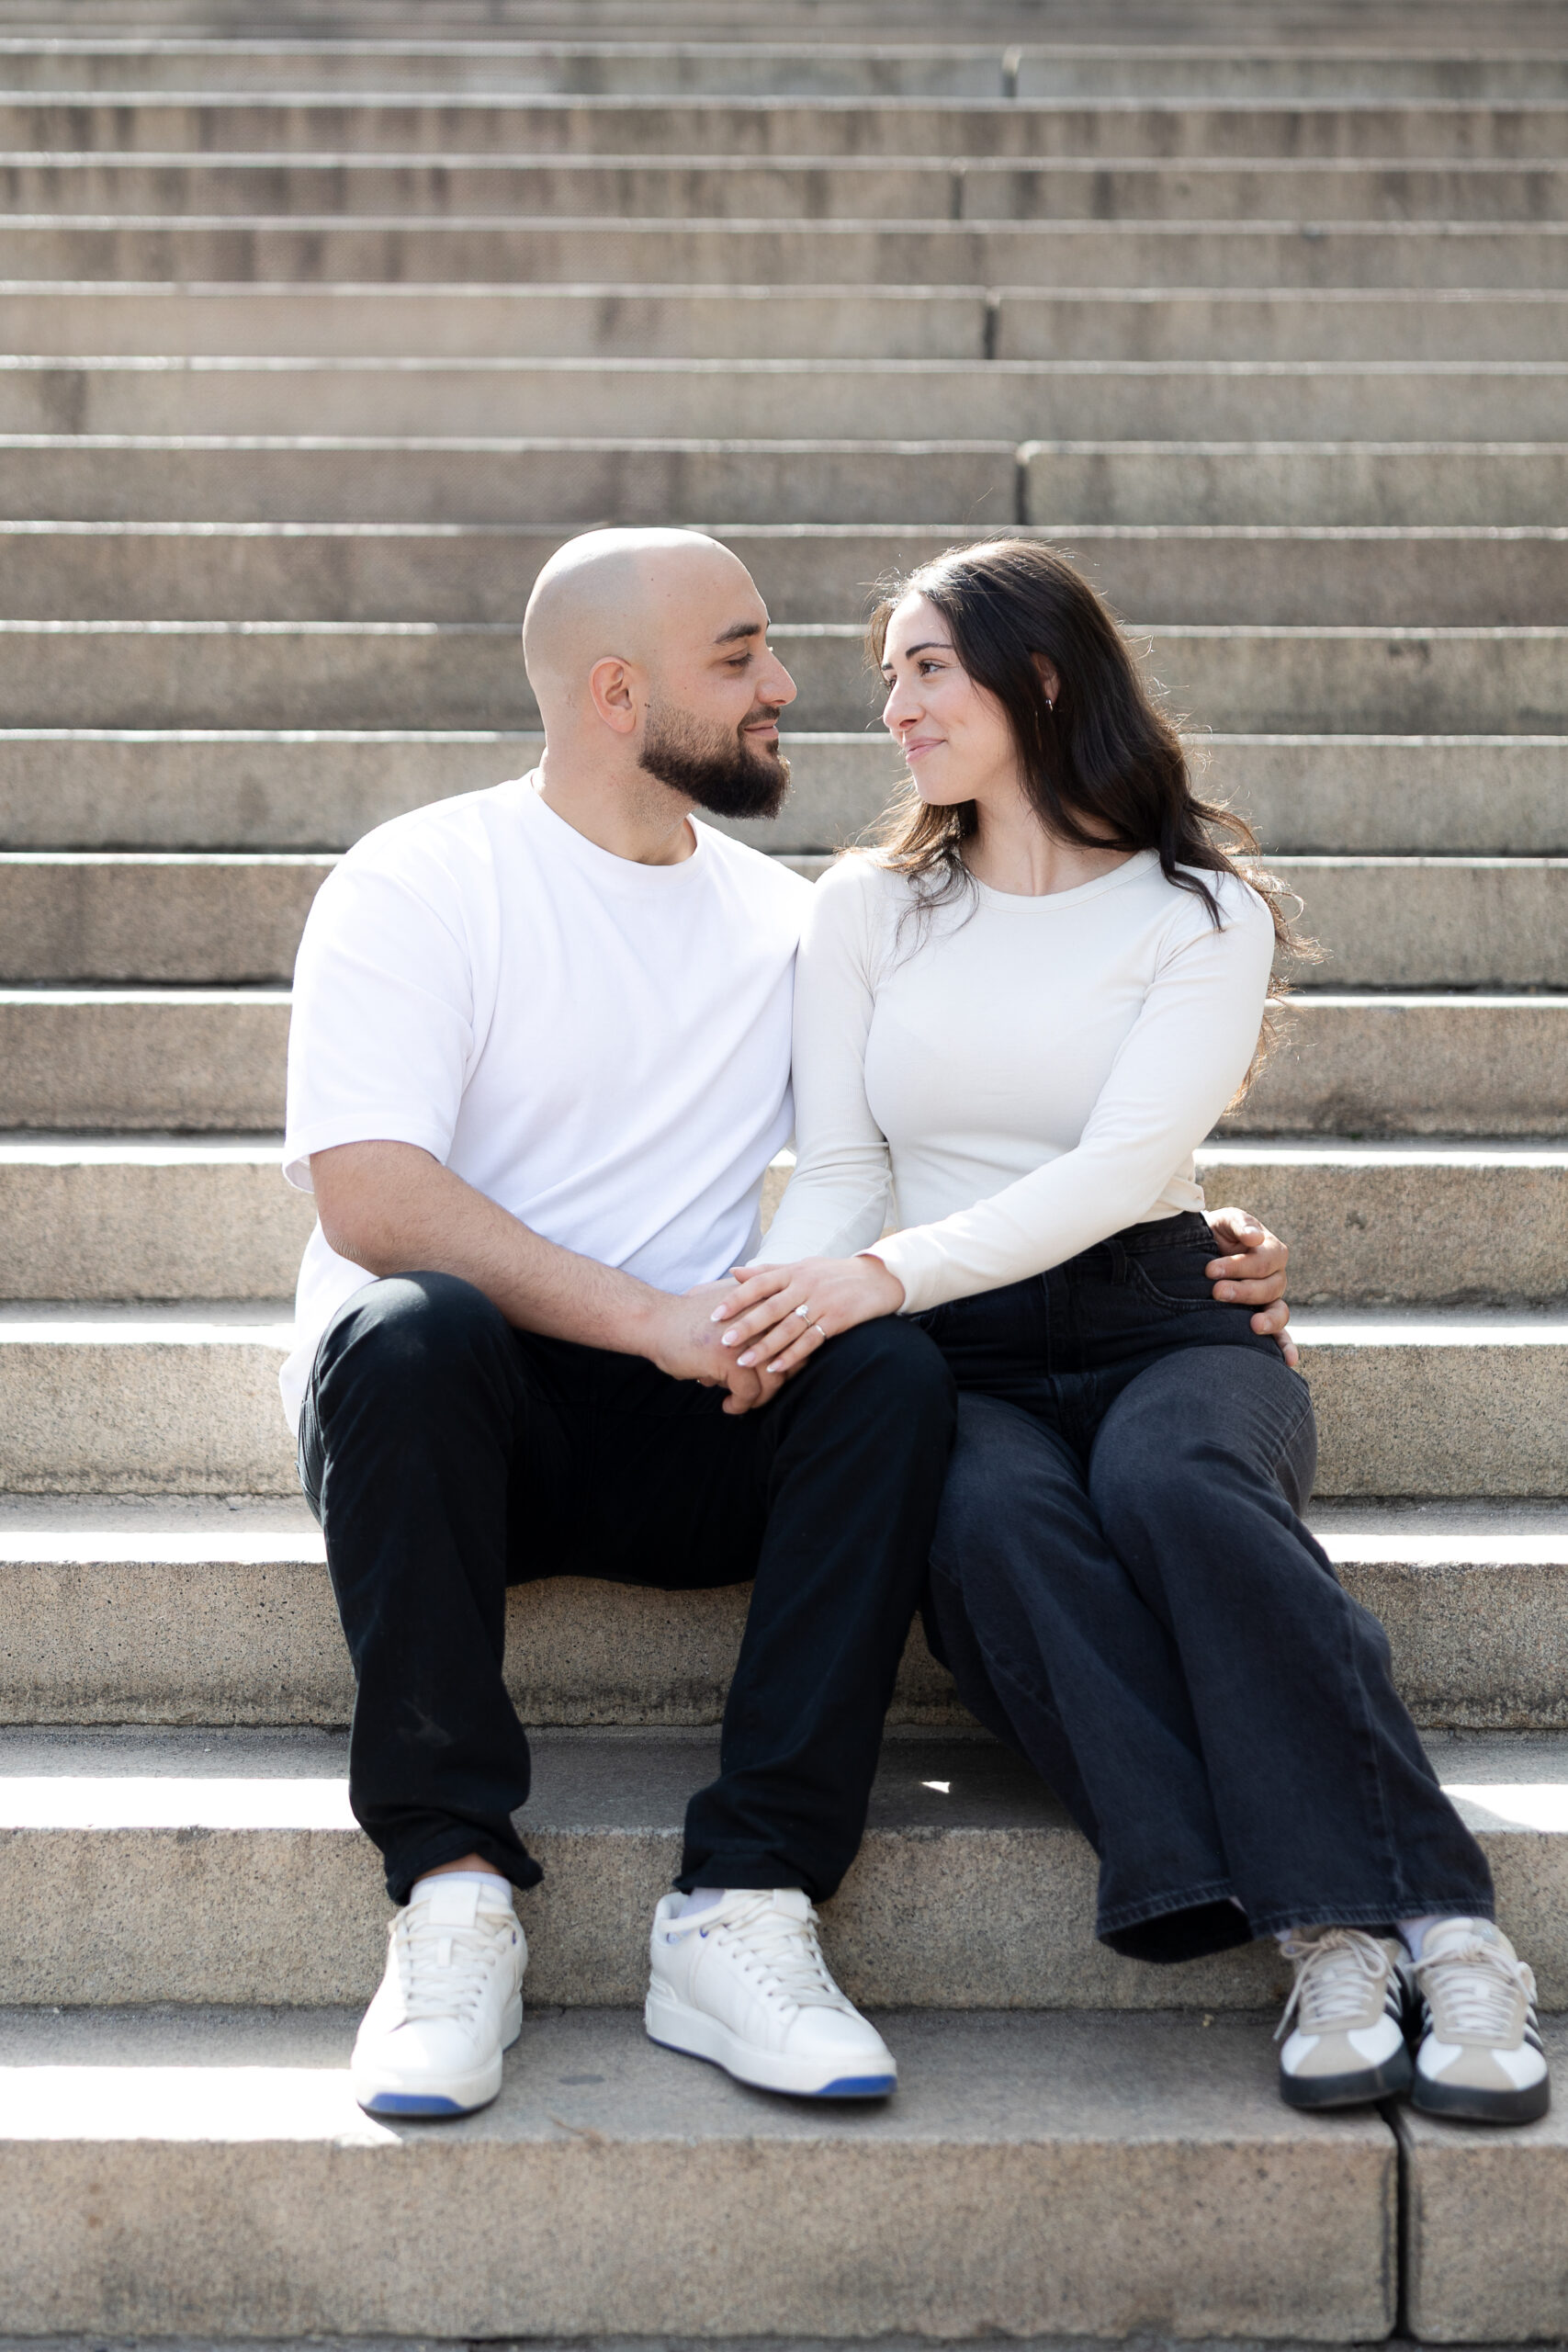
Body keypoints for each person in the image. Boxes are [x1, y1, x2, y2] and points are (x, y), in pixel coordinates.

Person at [280, 526, 1294, 2121]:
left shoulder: (793, 918)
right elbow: (374, 1198)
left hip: (708, 1410)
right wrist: (650, 1320)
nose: (792, 687)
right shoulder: (424, 877)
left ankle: (746, 1903)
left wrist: (1188, 1223)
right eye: (742, 655)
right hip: (468, 1425)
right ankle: (453, 1890)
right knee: (408, 1328)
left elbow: (924, 1132)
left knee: (885, 1375)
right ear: (619, 692)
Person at [719, 537, 1548, 2128]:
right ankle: (1328, 1931)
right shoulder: (871, 910)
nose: (890, 703)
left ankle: (1451, 1932)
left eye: (926, 667)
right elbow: (839, 1171)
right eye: (886, 670)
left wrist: (876, 1278)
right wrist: (775, 1312)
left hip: (1163, 1309)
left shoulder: (1200, 907)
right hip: (957, 1353)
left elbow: (1112, 1174)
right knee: (993, 1526)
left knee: (1177, 1492)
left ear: (1040, 676)